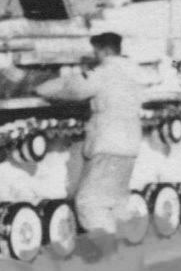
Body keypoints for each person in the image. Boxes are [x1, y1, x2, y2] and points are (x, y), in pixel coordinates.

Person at [34, 32, 148, 245]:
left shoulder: (103, 71)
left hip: (108, 144)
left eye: (96, 52)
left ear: (104, 50)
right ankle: (129, 247)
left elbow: (74, 89)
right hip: (131, 145)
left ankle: (112, 251)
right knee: (116, 202)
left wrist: (41, 89)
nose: (95, 56)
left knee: (88, 203)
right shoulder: (135, 71)